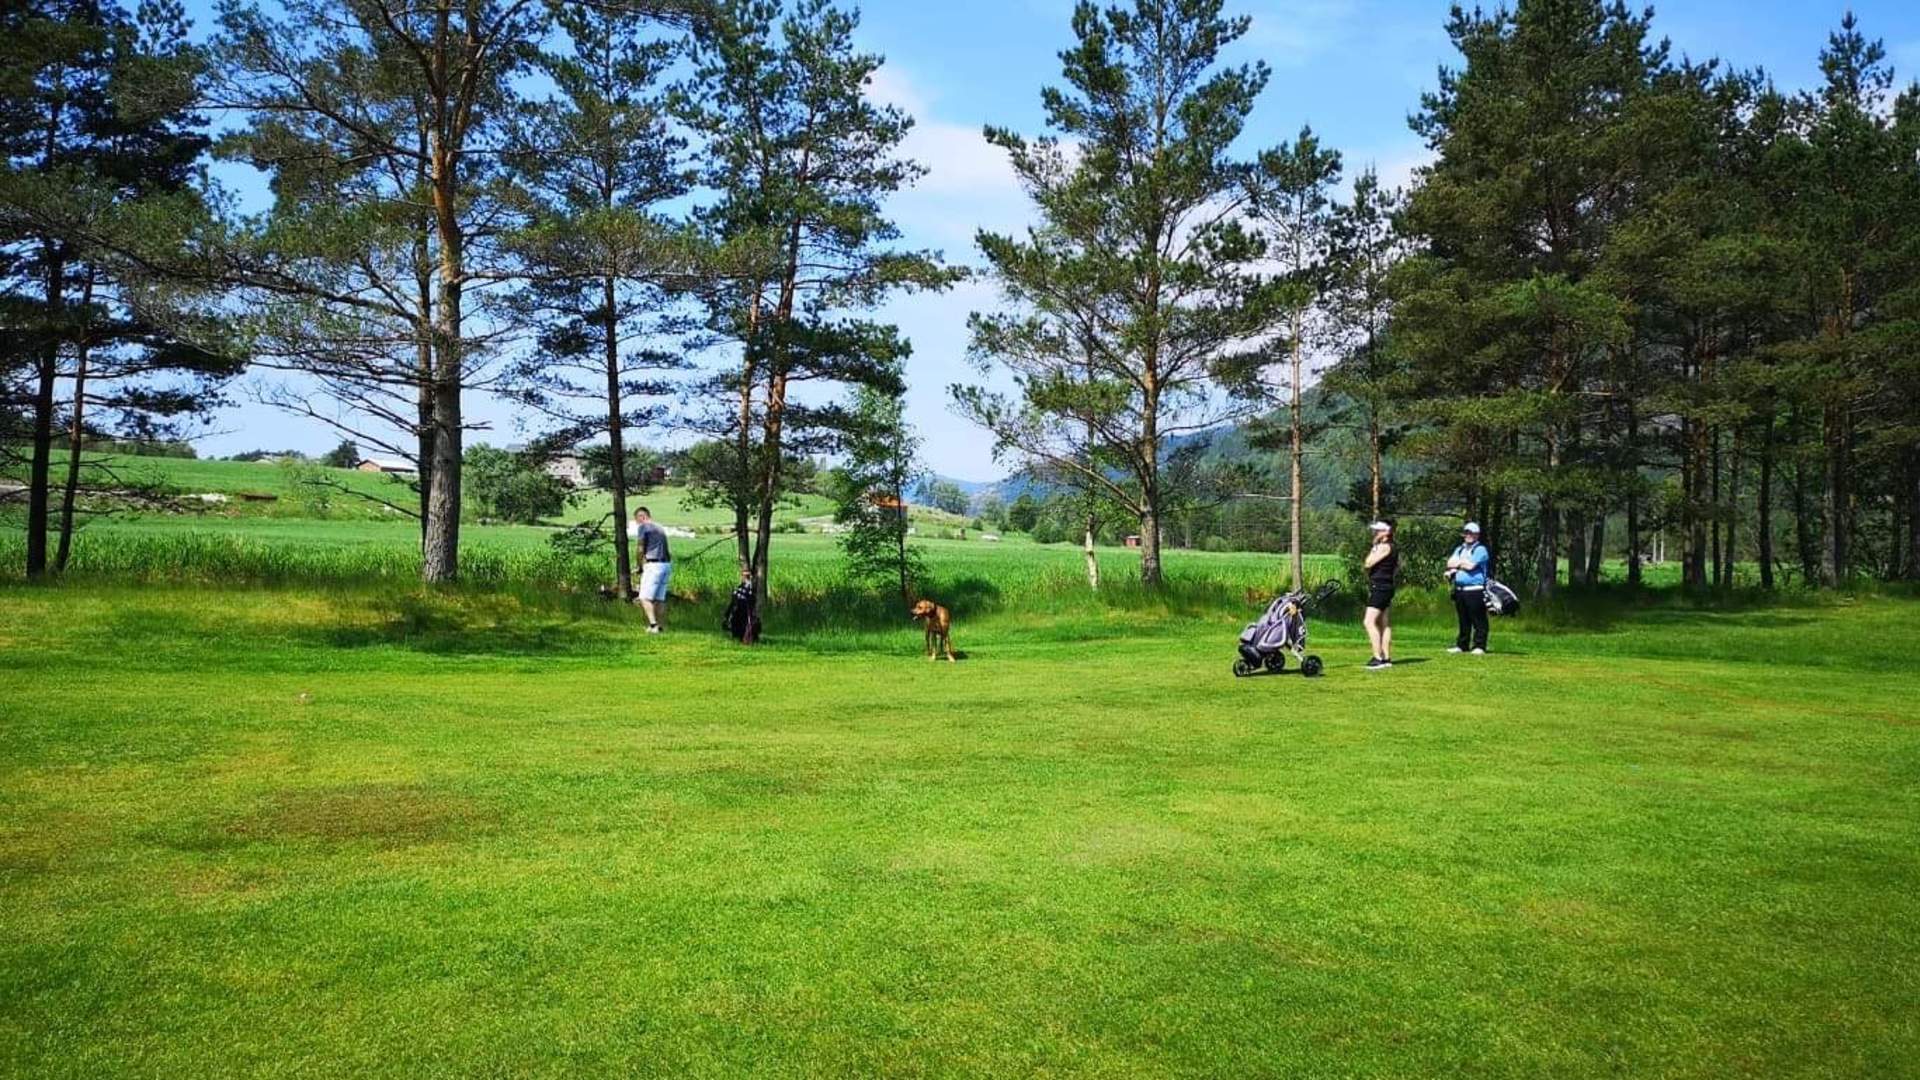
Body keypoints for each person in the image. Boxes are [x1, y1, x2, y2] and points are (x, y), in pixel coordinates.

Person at [1446, 521, 1490, 655]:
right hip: (1460, 590)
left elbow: (1471, 566)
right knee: (1463, 619)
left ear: (1477, 535)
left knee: (1478, 619)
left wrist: (1457, 564)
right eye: (1466, 533)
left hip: (1475, 589)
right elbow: (1449, 563)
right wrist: (1461, 564)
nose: (1468, 535)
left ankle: (1479, 645)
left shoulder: (1480, 550)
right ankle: (1462, 644)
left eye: (1471, 533)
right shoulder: (1460, 549)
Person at [629, 506, 672, 633]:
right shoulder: (659, 527)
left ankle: (653, 626)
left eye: (637, 520)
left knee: (644, 598)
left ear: (642, 516)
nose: (637, 524)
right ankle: (660, 625)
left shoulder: (644, 527)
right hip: (665, 564)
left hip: (653, 565)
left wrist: (639, 566)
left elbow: (640, 548)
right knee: (659, 598)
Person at [1363, 520, 1398, 670]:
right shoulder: (1391, 547)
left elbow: (1368, 563)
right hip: (1386, 586)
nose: (1375, 533)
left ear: (1386, 532)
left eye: (1378, 531)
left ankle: (1378, 657)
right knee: (1384, 622)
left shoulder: (1384, 547)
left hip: (1380, 588)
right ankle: (1386, 657)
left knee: (1369, 621)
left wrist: (1374, 546)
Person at [723, 567, 760, 644]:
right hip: (738, 605)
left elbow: (750, 597)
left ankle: (745, 638)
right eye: (744, 575)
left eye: (746, 575)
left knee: (743, 622)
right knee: (735, 620)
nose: (744, 577)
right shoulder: (742, 585)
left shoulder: (750, 585)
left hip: (744, 606)